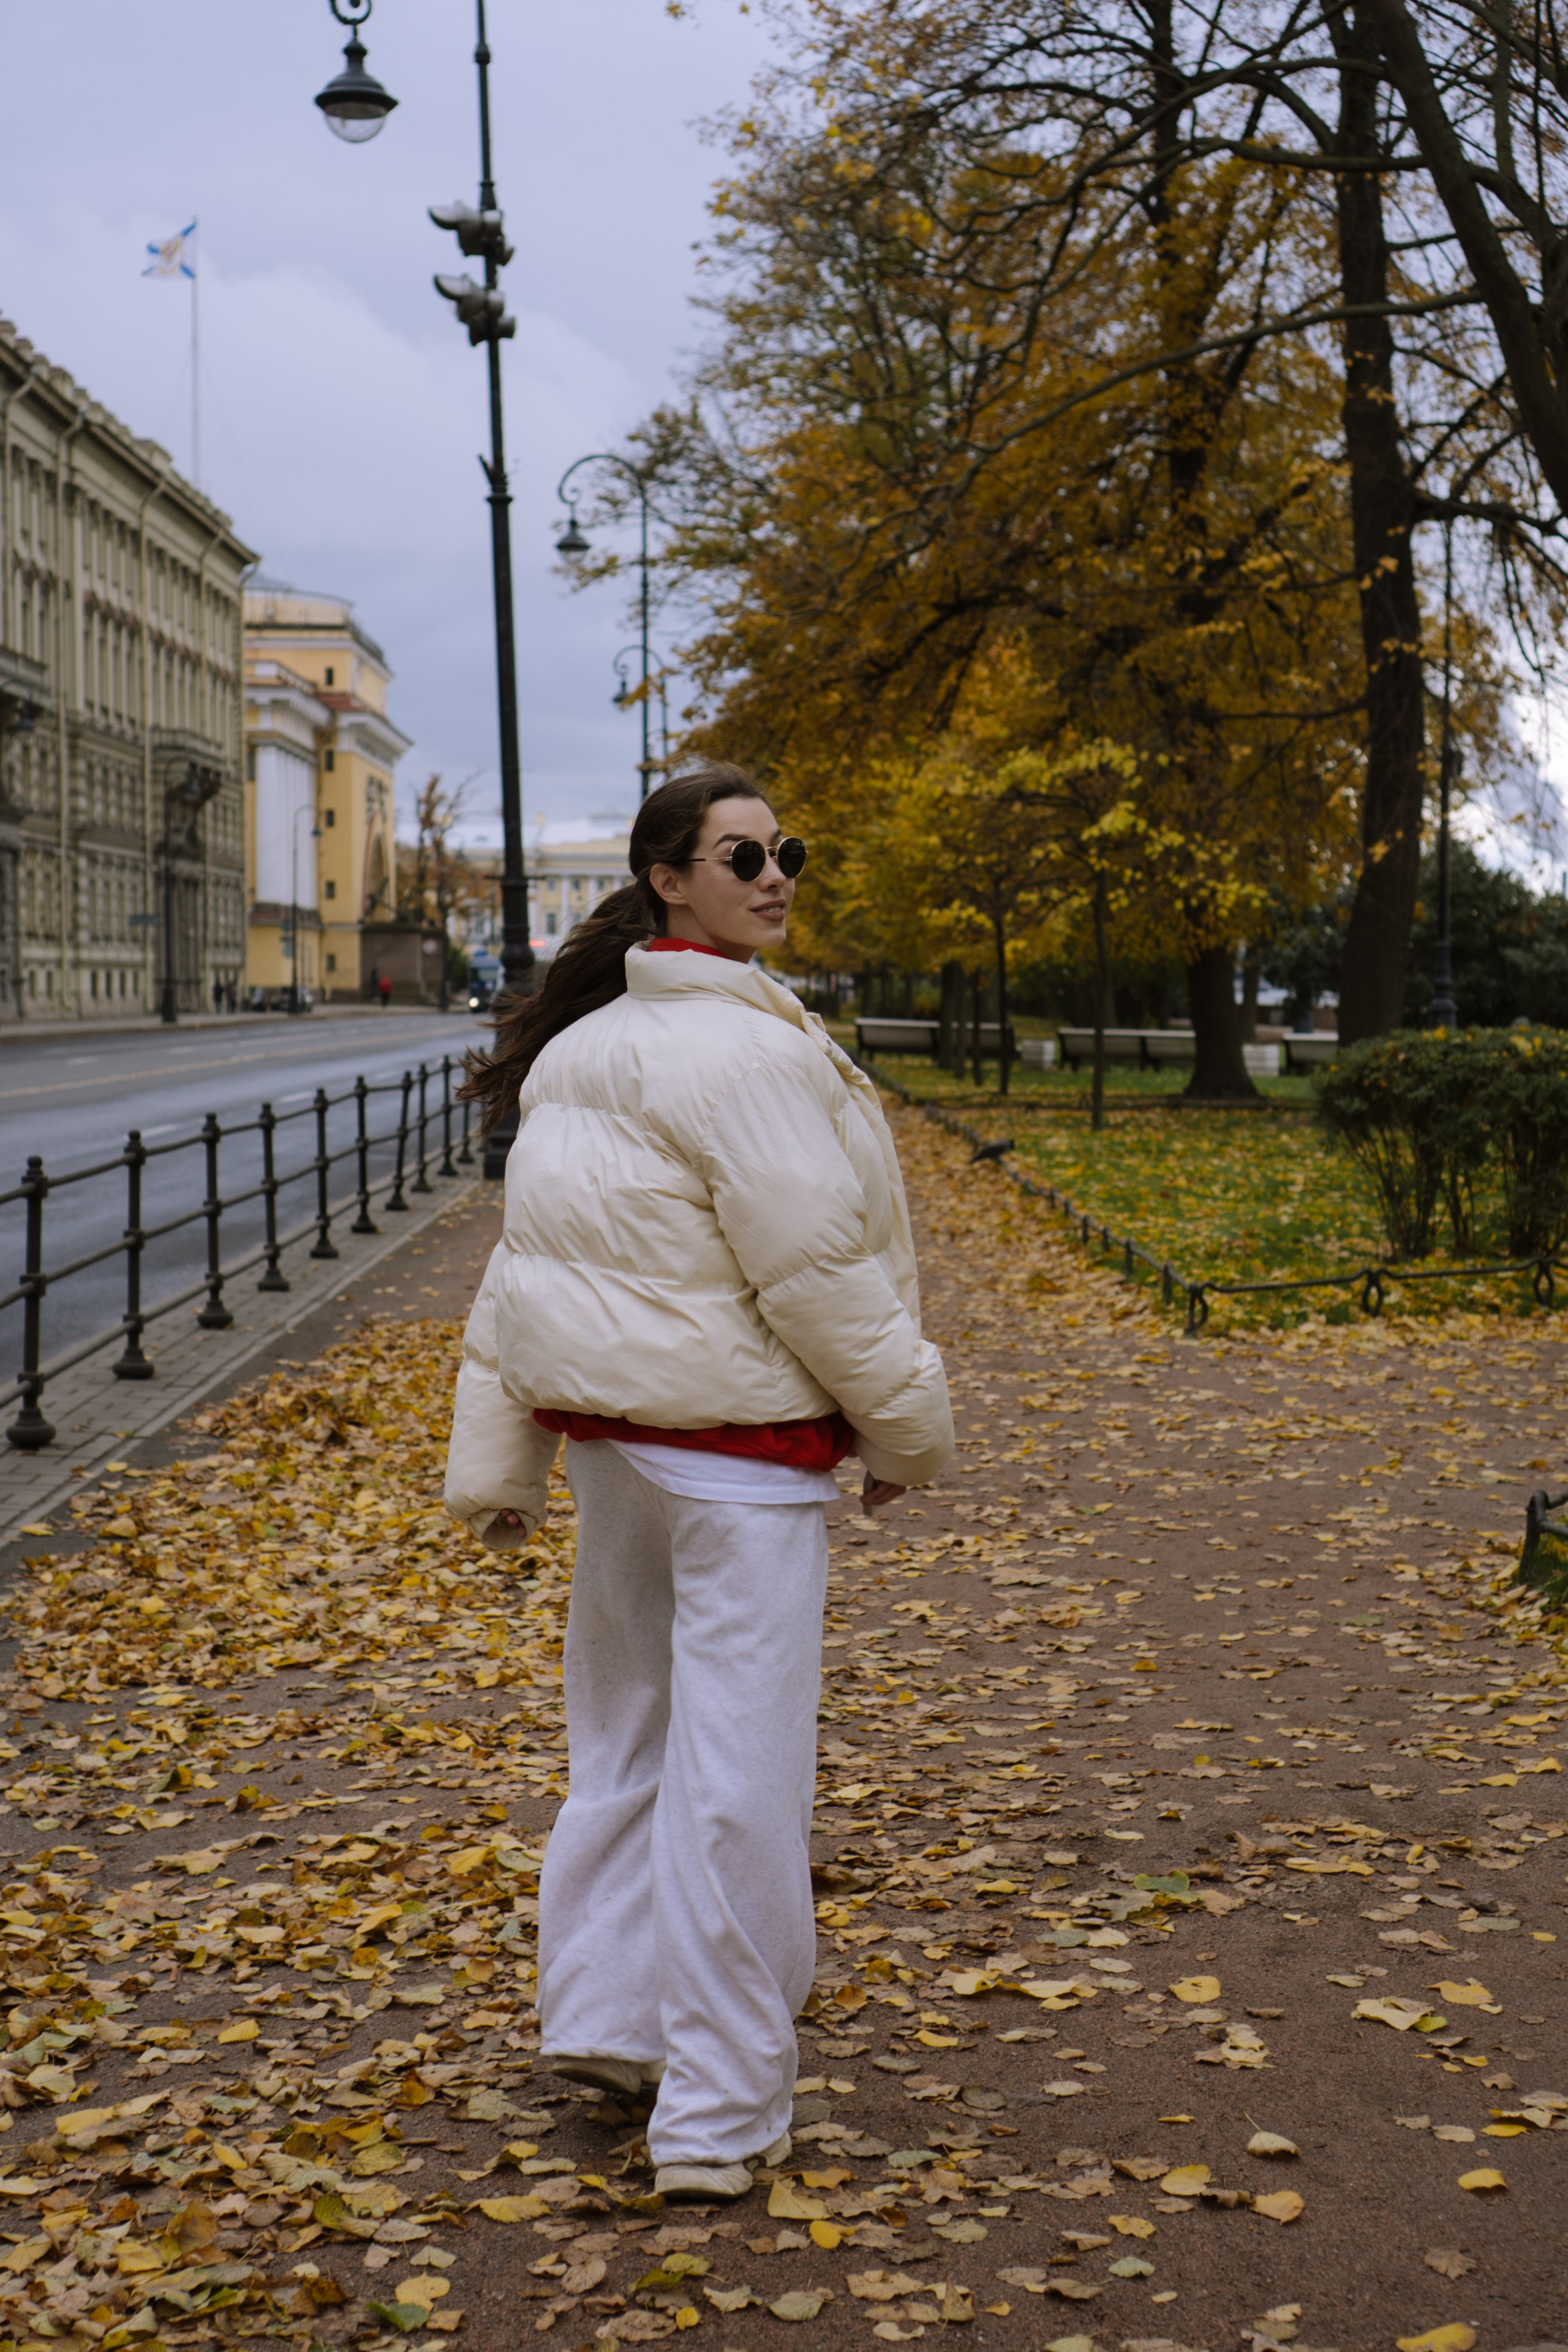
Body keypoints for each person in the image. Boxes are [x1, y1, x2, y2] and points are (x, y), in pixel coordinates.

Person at [445, 764, 952, 2203]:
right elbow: (818, 1276)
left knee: (626, 1751)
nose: (775, 873)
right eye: (743, 855)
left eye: (785, 848)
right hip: (739, 1469)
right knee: (738, 1781)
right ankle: (721, 2116)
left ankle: (608, 2025)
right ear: (669, 877)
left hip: (621, 1458)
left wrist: (501, 1457)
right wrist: (907, 1432)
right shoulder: (749, 1055)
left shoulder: (582, 1052)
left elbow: (523, 1272)